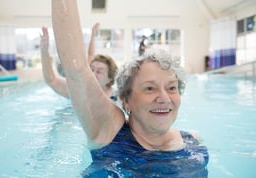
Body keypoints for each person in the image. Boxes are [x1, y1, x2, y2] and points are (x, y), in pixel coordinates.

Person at [51, 0, 208, 177]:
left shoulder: (193, 142)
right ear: (126, 100)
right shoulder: (109, 132)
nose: (164, 97)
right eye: (150, 88)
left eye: (172, 88)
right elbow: (76, 68)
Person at [40, 24, 120, 102]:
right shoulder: (79, 91)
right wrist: (44, 51)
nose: (93, 74)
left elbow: (90, 55)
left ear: (110, 79)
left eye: (99, 72)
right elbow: (52, 80)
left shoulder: (117, 98)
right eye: (91, 69)